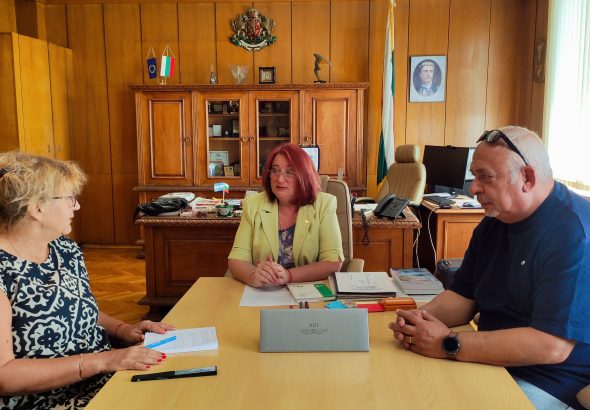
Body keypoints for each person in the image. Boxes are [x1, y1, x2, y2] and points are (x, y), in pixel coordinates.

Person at [388, 126, 590, 408]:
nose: (473, 188)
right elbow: (463, 296)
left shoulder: (573, 234)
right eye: (474, 175)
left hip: (546, 380)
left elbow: (550, 346)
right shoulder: (494, 221)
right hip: (488, 360)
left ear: (527, 178)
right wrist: (417, 322)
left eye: (486, 177)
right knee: (399, 390)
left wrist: (449, 344)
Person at [0, 152, 175, 409]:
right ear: (37, 208)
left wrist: (123, 330)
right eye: (69, 198)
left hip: (100, 378)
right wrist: (104, 361)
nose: (77, 206)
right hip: (46, 401)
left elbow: (80, 310)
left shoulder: (64, 249)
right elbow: (5, 376)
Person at [228, 143, 343, 287]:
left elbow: (333, 263)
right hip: (264, 292)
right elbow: (236, 260)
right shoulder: (253, 205)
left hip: (309, 290)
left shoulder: (324, 204)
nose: (280, 179)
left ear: (304, 175)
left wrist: (289, 275)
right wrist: (253, 276)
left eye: (289, 172)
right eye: (275, 171)